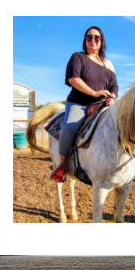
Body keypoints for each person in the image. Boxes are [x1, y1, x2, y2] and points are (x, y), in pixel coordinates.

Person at [51, 26, 118, 182]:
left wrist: (112, 97)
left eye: (97, 37)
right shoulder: (78, 57)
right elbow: (73, 79)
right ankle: (62, 165)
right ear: (85, 40)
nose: (93, 40)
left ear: (102, 41)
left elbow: (114, 85)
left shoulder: (108, 64)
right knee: (70, 127)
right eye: (89, 37)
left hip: (103, 104)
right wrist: (94, 93)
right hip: (79, 103)